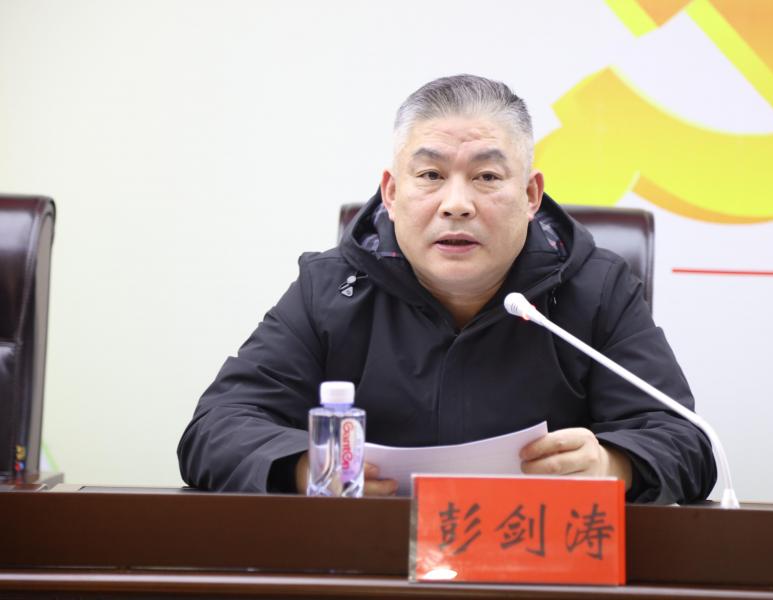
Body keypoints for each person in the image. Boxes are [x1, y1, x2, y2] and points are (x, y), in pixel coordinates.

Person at [177, 74, 716, 503]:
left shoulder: (596, 287)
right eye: (431, 176)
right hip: (373, 569)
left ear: (531, 196)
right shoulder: (331, 288)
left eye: (487, 177)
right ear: (391, 193)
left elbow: (686, 442)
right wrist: (305, 468)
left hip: (539, 575)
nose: (456, 204)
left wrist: (613, 467)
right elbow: (215, 429)